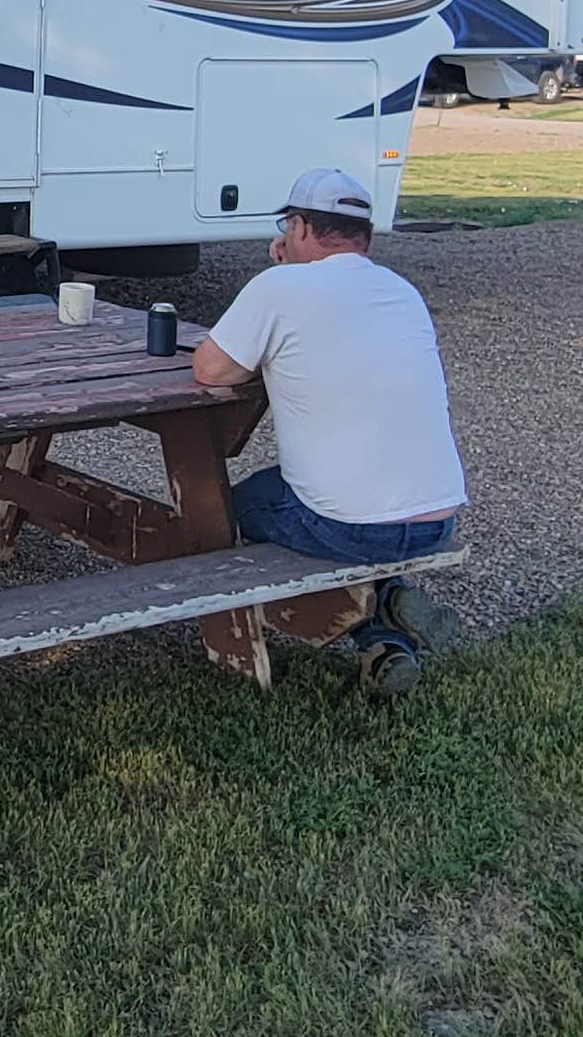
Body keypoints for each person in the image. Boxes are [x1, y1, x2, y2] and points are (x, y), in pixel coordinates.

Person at [186, 165, 468, 690]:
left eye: (286, 228)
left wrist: (276, 277)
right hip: (437, 518)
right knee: (352, 509)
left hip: (346, 523)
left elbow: (210, 368)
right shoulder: (403, 293)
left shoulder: (280, 286)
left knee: (228, 505)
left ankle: (365, 605)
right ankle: (387, 637)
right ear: (361, 237)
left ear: (300, 229)